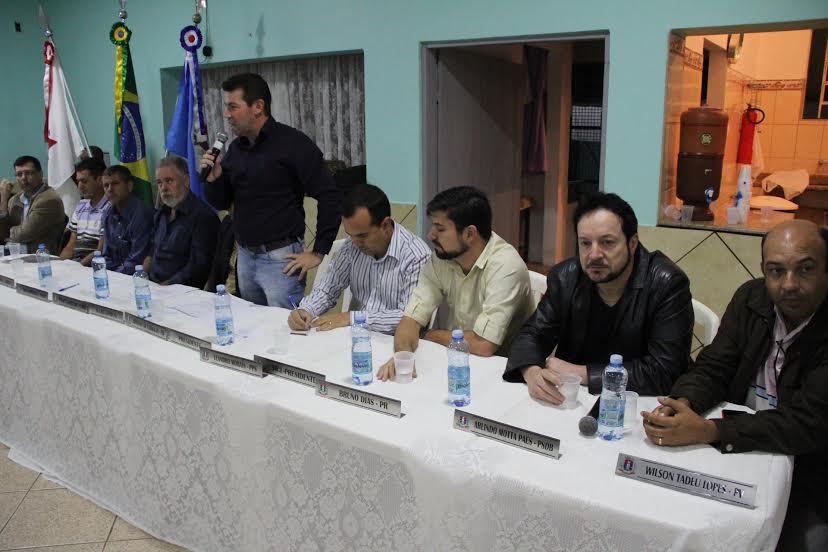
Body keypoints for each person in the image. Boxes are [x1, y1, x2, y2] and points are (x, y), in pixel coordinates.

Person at [641, 220, 828, 551]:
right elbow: (715, 366)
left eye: (805, 269)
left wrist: (711, 431)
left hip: (811, 474)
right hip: (742, 456)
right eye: (776, 271)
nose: (789, 284)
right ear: (763, 270)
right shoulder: (751, 299)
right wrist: (682, 404)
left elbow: (808, 422)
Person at [504, 192, 693, 402]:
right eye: (585, 243)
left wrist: (583, 373)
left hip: (639, 405)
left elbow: (666, 370)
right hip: (574, 401)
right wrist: (531, 371)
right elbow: (532, 334)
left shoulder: (666, 283)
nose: (594, 255)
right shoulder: (565, 277)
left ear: (632, 244)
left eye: (607, 243)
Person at [200, 72, 342, 308]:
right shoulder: (236, 149)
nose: (227, 114)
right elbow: (223, 203)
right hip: (245, 256)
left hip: (280, 259)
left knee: (285, 326)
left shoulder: (293, 144)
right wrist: (214, 180)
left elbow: (329, 195)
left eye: (233, 107)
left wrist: (318, 251)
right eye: (227, 107)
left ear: (258, 107)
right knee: (255, 324)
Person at [377, 186, 535, 381]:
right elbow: (411, 319)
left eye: (440, 229)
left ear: (469, 234)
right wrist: (403, 356)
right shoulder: (441, 258)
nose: (431, 235)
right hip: (456, 362)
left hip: (505, 372)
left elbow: (484, 344)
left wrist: (431, 335)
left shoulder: (506, 266)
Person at [288, 184, 430, 334]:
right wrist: (306, 309)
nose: (355, 243)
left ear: (386, 225)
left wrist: (352, 318)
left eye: (362, 236)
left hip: (397, 341)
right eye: (351, 235)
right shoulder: (352, 245)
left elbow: (410, 317)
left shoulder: (417, 256)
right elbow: (328, 289)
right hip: (356, 337)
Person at [142, 156, 218, 288]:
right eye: (159, 183)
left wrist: (164, 288)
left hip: (180, 291)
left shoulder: (203, 217)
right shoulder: (161, 213)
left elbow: (197, 268)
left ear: (186, 181)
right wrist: (140, 276)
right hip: (153, 286)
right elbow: (152, 250)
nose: (163, 188)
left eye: (169, 181)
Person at [0, 155, 66, 253]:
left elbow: (23, 235)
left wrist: (8, 232)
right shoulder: (14, 200)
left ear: (40, 174)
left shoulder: (49, 200)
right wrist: (4, 200)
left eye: (28, 173)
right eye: (19, 174)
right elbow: (2, 233)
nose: (23, 178)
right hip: (14, 253)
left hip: (39, 256)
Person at [100, 165, 153, 275]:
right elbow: (107, 256)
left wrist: (114, 277)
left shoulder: (142, 214)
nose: (110, 189)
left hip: (135, 277)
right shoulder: (107, 214)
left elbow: (136, 261)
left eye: (115, 184)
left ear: (129, 186)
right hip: (115, 275)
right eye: (106, 185)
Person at [60, 157, 109, 265]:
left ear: (99, 180)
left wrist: (78, 267)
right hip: (77, 263)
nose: (80, 187)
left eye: (84, 181)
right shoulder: (81, 205)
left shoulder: (109, 208)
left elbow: (100, 250)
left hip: (96, 264)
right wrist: (59, 265)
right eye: (78, 181)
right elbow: (71, 246)